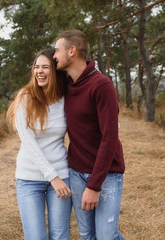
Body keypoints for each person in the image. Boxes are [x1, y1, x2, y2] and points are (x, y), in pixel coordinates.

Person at [53, 29, 126, 240]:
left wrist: (94, 185)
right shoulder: (66, 84)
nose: (55, 55)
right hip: (76, 171)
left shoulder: (101, 86)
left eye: (58, 50)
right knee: (87, 235)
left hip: (107, 174)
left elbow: (110, 138)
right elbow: (39, 81)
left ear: (72, 50)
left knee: (106, 236)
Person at [6, 48, 72, 240]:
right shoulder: (25, 98)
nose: (39, 71)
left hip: (61, 174)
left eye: (45, 67)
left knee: (60, 236)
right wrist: (53, 177)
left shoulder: (66, 99)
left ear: (55, 71)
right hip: (29, 178)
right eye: (36, 67)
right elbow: (28, 142)